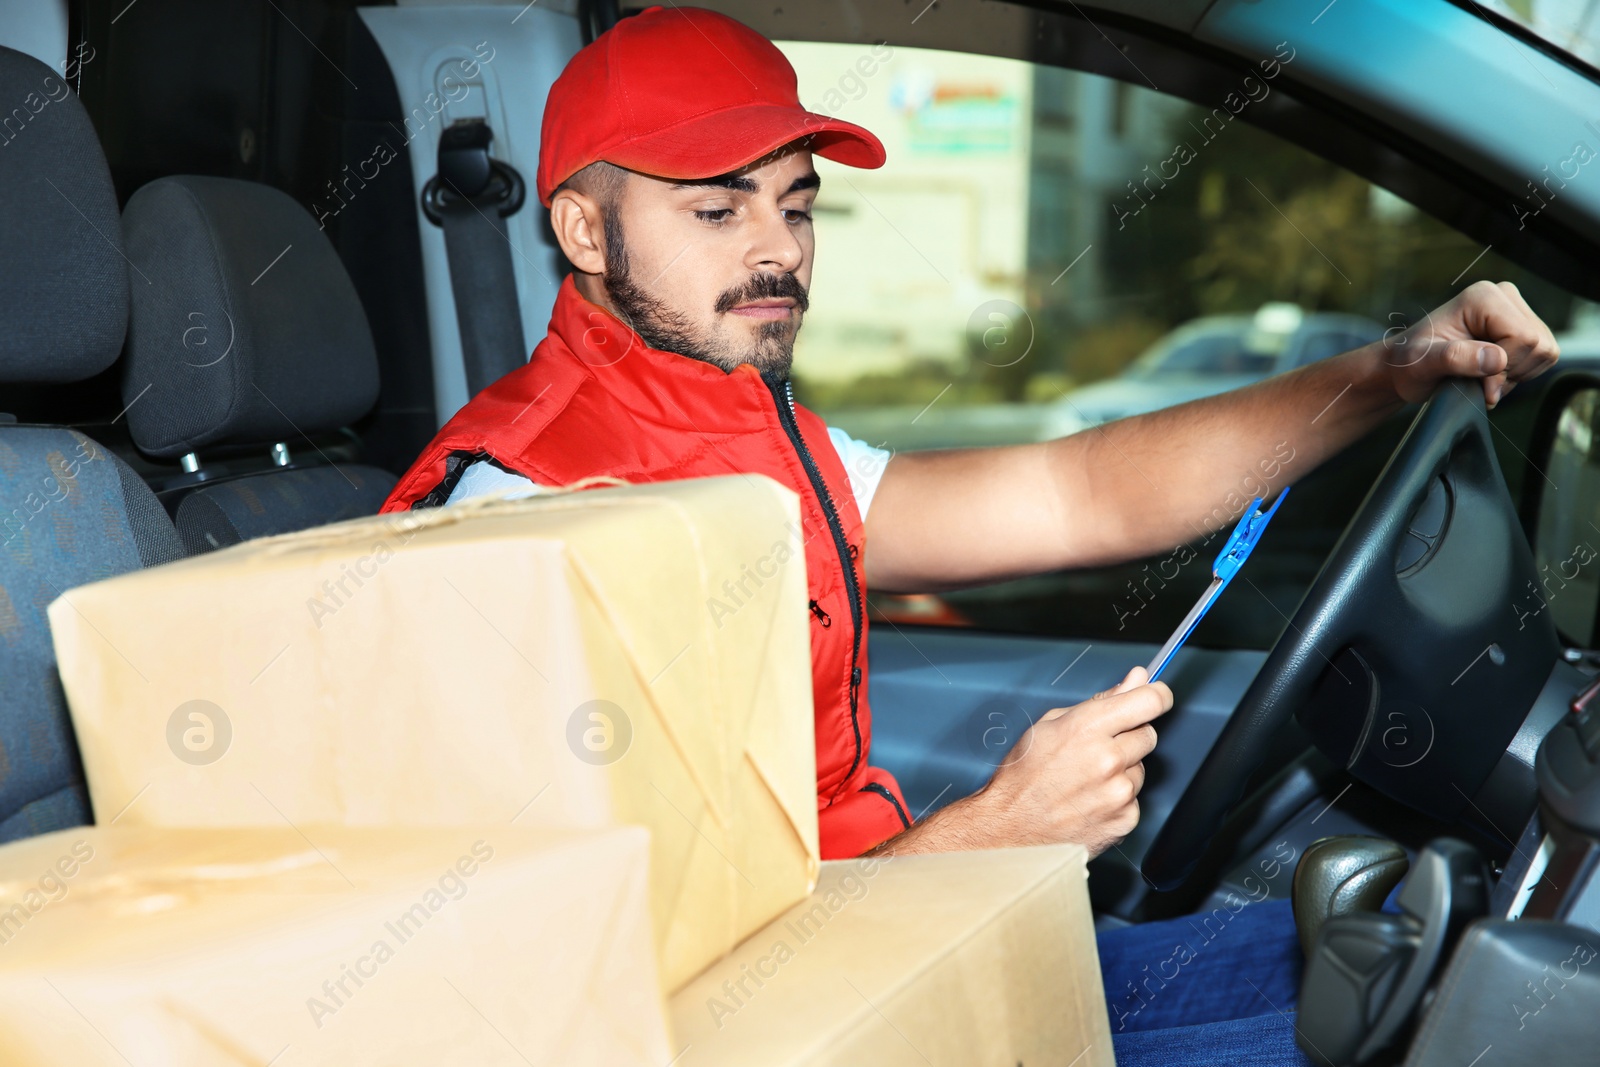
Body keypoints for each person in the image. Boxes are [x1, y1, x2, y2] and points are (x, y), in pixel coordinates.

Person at [380, 8, 1559, 1059]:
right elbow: (602, 991)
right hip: (806, 1015)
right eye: (715, 206)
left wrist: (1383, 373)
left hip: (894, 954)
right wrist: (994, 830)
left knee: (1431, 963)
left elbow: (1079, 493)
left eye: (796, 203)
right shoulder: (514, 518)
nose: (779, 248)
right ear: (584, 234)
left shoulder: (761, 433)